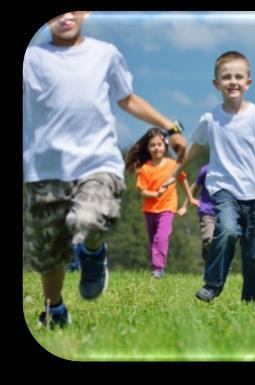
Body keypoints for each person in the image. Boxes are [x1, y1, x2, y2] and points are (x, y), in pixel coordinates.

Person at [23, 11, 186, 327]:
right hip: (45, 168)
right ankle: (55, 309)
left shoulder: (104, 54)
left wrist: (169, 127)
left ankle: (93, 252)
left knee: (89, 219)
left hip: (97, 161)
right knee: (49, 251)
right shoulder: (33, 59)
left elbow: (127, 99)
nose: (66, 16)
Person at [174, 50, 255, 303]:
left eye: (238, 77)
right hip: (224, 189)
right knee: (229, 230)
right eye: (226, 77)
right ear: (216, 83)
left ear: (248, 82)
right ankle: (212, 284)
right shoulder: (210, 119)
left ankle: (253, 301)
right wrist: (174, 172)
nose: (233, 81)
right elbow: (193, 148)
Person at [125, 128, 194, 278]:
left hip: (167, 207)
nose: (157, 148)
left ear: (165, 146)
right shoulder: (145, 168)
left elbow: (183, 180)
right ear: (148, 149)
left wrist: (190, 198)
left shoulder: (173, 165)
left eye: (159, 144)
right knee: (153, 240)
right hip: (150, 209)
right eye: (153, 145)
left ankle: (158, 269)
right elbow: (142, 191)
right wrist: (155, 194)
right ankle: (156, 267)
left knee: (161, 237)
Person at [177, 164, 215, 262]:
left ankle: (220, 263)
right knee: (209, 240)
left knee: (224, 240)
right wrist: (185, 205)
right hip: (207, 211)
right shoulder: (206, 170)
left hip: (226, 211)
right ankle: (213, 261)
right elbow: (194, 187)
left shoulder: (232, 169)